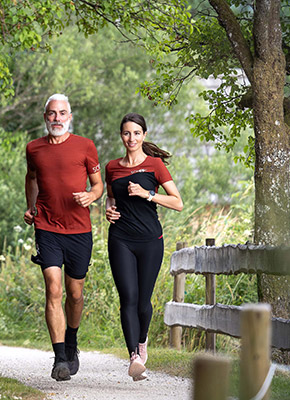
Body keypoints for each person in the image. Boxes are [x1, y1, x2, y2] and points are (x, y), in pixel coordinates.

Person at [23, 93, 104, 381]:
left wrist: (90, 196)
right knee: (53, 289)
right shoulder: (34, 148)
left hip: (79, 230)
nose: (56, 118)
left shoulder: (85, 146)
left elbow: (98, 185)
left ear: (69, 116)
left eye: (61, 113)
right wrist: (31, 207)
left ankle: (72, 342)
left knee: (75, 294)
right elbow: (31, 177)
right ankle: (59, 359)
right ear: (45, 117)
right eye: (51, 113)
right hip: (47, 227)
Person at [104, 112, 183, 380]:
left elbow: (177, 203)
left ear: (144, 135)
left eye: (136, 133)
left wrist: (148, 194)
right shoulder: (112, 166)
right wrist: (109, 210)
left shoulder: (155, 165)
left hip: (150, 241)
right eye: (127, 133)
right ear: (121, 136)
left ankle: (142, 340)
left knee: (142, 302)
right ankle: (134, 358)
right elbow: (111, 198)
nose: (131, 138)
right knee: (127, 297)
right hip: (120, 239)